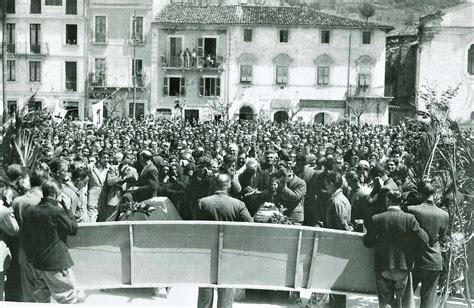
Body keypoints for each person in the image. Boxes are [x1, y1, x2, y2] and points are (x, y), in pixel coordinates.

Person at [364, 191, 429, 308]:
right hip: (403, 267)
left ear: (388, 201)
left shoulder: (377, 218)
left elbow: (368, 242)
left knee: (385, 303)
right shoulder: (410, 219)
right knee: (405, 303)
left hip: (384, 267)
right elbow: (424, 239)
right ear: (400, 202)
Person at [195, 173, 252, 308]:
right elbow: (250, 225)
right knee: (226, 288)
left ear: (215, 184)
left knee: (205, 288)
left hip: (206, 252)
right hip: (229, 250)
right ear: (229, 185)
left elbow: (196, 227)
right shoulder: (238, 204)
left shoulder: (202, 202)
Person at [22, 179, 81, 303]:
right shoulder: (56, 211)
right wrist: (68, 209)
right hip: (56, 262)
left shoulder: (29, 211)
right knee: (68, 298)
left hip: (37, 263)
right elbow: (73, 229)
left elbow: (25, 237)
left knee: (41, 299)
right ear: (58, 194)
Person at [407, 181, 449, 308]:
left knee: (406, 298)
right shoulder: (444, 215)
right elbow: (442, 237)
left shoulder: (412, 210)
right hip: (434, 262)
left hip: (415, 261)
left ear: (419, 194)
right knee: (428, 301)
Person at [12, 168, 49, 302]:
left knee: (27, 290)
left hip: (24, 248)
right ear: (44, 182)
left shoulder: (17, 201)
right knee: (43, 291)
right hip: (42, 249)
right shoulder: (45, 201)